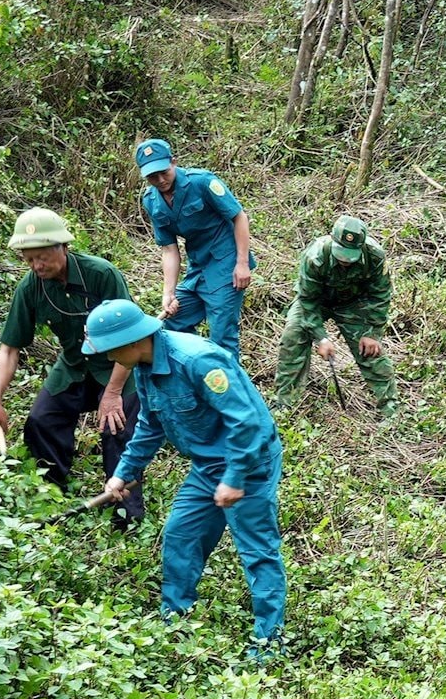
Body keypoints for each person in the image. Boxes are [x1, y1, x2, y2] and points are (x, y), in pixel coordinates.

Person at [85, 297, 288, 666]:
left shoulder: (196, 360)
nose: (108, 359)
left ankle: (270, 642)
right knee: (180, 533)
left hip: (248, 462)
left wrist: (235, 478)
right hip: (208, 465)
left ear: (132, 341)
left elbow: (247, 422)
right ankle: (174, 622)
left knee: (256, 550)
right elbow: (150, 423)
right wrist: (123, 472)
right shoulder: (145, 366)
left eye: (111, 350)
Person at [0, 206, 145, 527]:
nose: (36, 265)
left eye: (42, 257)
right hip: (73, 365)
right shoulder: (31, 287)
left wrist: (112, 394)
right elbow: (9, 349)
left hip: (118, 367)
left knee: (117, 429)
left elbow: (132, 341)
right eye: (28, 259)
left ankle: (127, 516)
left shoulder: (101, 274)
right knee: (42, 421)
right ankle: (52, 498)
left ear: (63, 247)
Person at [134, 137, 255, 357]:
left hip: (226, 264)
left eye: (164, 172)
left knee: (222, 338)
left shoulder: (202, 182)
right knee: (174, 321)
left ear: (173, 162)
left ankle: (229, 388)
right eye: (152, 176)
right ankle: (191, 377)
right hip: (197, 268)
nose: (160, 180)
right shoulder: (151, 200)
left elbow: (239, 217)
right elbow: (169, 249)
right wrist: (168, 293)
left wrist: (242, 263)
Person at [274, 214, 397, 418]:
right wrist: (321, 337)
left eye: (351, 256)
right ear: (333, 240)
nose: (346, 261)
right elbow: (307, 300)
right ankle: (284, 404)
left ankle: (391, 410)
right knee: (293, 336)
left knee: (371, 350)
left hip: (354, 303)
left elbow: (380, 295)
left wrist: (373, 332)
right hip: (317, 302)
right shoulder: (315, 256)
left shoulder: (374, 256)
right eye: (341, 254)